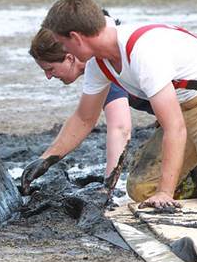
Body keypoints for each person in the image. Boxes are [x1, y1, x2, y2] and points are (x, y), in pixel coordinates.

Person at [21, 0, 197, 209]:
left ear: (76, 37)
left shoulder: (142, 52)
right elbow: (84, 119)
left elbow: (174, 128)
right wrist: (47, 159)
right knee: (141, 189)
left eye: (63, 43)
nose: (65, 50)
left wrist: (165, 192)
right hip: (183, 112)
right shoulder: (98, 64)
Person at [29, 27, 132, 178]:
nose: (48, 76)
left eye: (50, 69)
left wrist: (108, 187)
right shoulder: (95, 68)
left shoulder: (103, 64)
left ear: (70, 58)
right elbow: (84, 119)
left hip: (177, 115)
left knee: (141, 189)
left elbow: (120, 128)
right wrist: (44, 160)